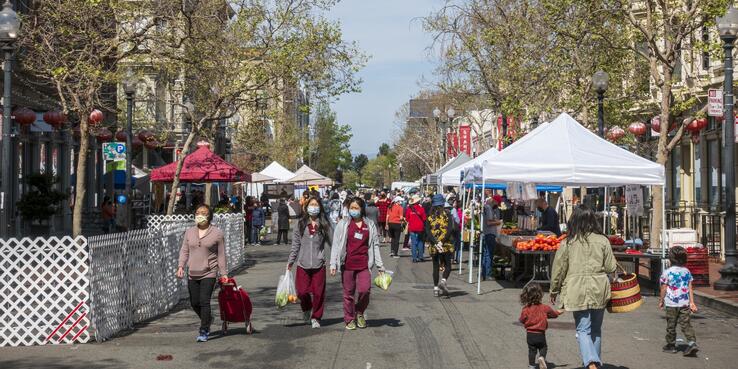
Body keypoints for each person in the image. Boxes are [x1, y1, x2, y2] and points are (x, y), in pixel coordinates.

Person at [550, 205, 617, 369]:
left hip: (576, 288)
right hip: (599, 287)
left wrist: (554, 290)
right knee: (596, 329)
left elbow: (559, 268)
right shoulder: (603, 240)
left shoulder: (568, 242)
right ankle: (594, 362)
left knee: (582, 329)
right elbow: (610, 267)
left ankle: (591, 362)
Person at [329, 197, 385, 330]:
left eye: (356, 208)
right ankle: (349, 319)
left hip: (364, 265)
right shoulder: (343, 224)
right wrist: (333, 264)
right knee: (348, 293)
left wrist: (380, 266)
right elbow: (336, 245)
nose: (353, 210)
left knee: (365, 290)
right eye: (351, 208)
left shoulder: (369, 224)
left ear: (362, 209)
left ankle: (359, 312)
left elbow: (375, 245)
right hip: (347, 265)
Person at [176, 205, 227, 342]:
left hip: (209, 272)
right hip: (192, 272)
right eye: (197, 213)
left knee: (204, 301)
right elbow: (184, 250)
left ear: (209, 215)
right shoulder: (189, 232)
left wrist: (223, 273)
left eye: (203, 213)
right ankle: (208, 319)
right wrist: (181, 266)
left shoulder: (217, 233)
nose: (200, 215)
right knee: (194, 302)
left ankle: (204, 330)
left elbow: (221, 255)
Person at [287, 197, 332, 329]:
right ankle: (306, 309)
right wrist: (291, 261)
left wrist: (332, 262)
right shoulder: (300, 224)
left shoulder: (324, 224)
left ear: (320, 208)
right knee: (302, 292)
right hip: (303, 263)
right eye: (311, 205)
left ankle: (316, 317)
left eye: (316, 205)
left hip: (319, 264)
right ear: (306, 207)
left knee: (319, 293)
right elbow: (295, 245)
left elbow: (330, 244)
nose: (314, 207)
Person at [660, 246, 699, 356]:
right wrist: (692, 302)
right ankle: (692, 343)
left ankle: (671, 345)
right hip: (685, 303)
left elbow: (663, 288)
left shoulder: (667, 272)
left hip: (671, 303)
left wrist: (661, 300)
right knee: (686, 324)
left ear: (670, 259)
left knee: (671, 325)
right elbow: (690, 287)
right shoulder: (687, 272)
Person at [519, 283, 562, 369]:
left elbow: (522, 320)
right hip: (540, 334)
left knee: (532, 350)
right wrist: (558, 312)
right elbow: (553, 315)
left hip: (530, 334)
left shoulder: (525, 309)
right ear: (540, 295)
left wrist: (525, 321)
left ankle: (531, 366)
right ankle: (541, 357)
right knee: (543, 347)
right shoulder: (545, 308)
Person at [424, 194, 457, 297]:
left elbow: (428, 231)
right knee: (448, 265)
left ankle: (435, 288)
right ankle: (443, 281)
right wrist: (441, 242)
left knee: (435, 266)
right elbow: (449, 230)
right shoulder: (448, 215)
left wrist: (435, 242)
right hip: (446, 243)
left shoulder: (430, 216)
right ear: (443, 204)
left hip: (434, 245)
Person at [482, 196, 502, 280]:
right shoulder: (489, 208)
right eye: (498, 203)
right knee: (489, 254)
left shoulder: (487, 207)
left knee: (486, 254)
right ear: (495, 201)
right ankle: (488, 274)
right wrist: (499, 222)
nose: (497, 205)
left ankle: (484, 273)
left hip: (487, 233)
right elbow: (489, 222)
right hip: (490, 233)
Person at [405, 194, 427, 263]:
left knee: (414, 243)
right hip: (420, 228)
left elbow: (407, 218)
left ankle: (414, 258)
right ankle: (420, 256)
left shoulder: (409, 209)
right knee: (420, 242)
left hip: (412, 228)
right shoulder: (421, 209)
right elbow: (424, 218)